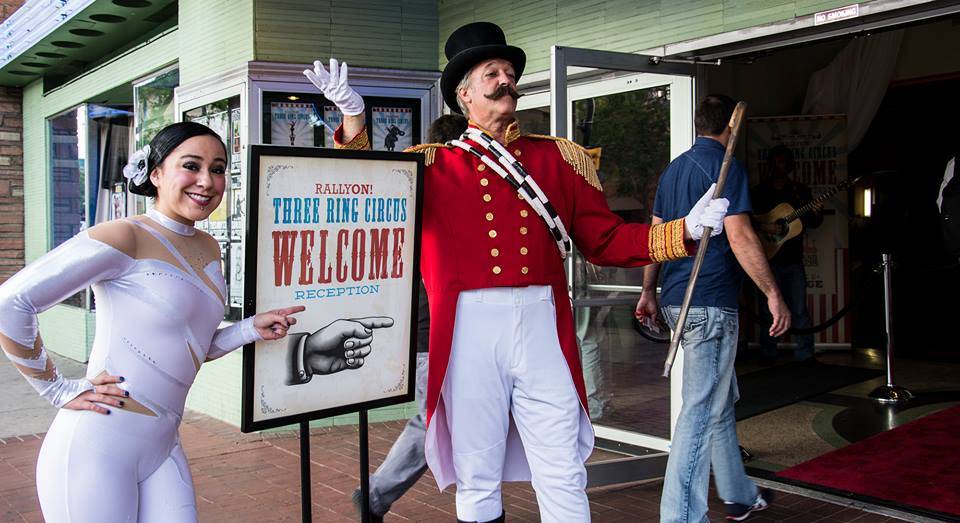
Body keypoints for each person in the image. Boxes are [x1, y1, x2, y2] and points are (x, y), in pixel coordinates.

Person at [304, 22, 729, 522]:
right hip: (467, 328)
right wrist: (354, 118)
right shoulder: (431, 165)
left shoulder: (558, 158)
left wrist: (686, 231)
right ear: (464, 94)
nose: (505, 79)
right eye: (492, 73)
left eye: (509, 71)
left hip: (541, 323)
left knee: (563, 465)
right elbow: (365, 201)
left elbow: (607, 240)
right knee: (476, 470)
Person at [0, 122, 306, 522]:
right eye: (191, 166)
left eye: (217, 169)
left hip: (162, 445)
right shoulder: (123, 235)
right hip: (96, 446)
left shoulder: (208, 246)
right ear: (157, 173)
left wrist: (249, 328)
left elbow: (190, 344)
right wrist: (57, 388)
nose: (206, 181)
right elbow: (11, 302)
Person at [635, 94, 791, 522]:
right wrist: (773, 293)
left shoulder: (674, 170)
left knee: (717, 402)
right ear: (730, 128)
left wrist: (649, 290)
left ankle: (739, 493)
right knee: (701, 409)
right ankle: (681, 516)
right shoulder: (727, 167)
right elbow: (740, 237)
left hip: (677, 298)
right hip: (711, 302)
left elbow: (657, 236)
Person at [351, 114, 468, 522]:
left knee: (450, 418)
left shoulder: (414, 193)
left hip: (428, 328)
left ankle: (378, 495)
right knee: (439, 419)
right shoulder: (432, 194)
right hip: (429, 330)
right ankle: (376, 495)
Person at [751, 144, 823, 364]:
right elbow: (747, 221)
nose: (778, 166)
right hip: (768, 259)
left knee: (799, 308)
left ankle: (805, 354)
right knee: (766, 309)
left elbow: (812, 222)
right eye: (775, 161)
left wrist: (817, 213)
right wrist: (766, 228)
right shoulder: (759, 192)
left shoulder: (800, 192)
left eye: (782, 162)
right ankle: (768, 352)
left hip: (793, 259)